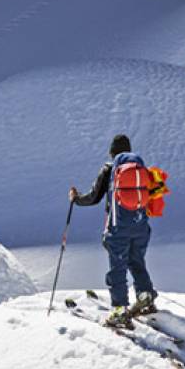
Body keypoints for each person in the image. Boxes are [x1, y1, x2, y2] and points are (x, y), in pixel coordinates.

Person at [69, 134, 157, 329]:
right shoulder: (141, 169)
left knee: (117, 267)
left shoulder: (109, 170)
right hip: (141, 226)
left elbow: (93, 197)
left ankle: (119, 310)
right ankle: (146, 296)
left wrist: (76, 199)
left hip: (118, 229)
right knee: (137, 262)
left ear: (112, 152)